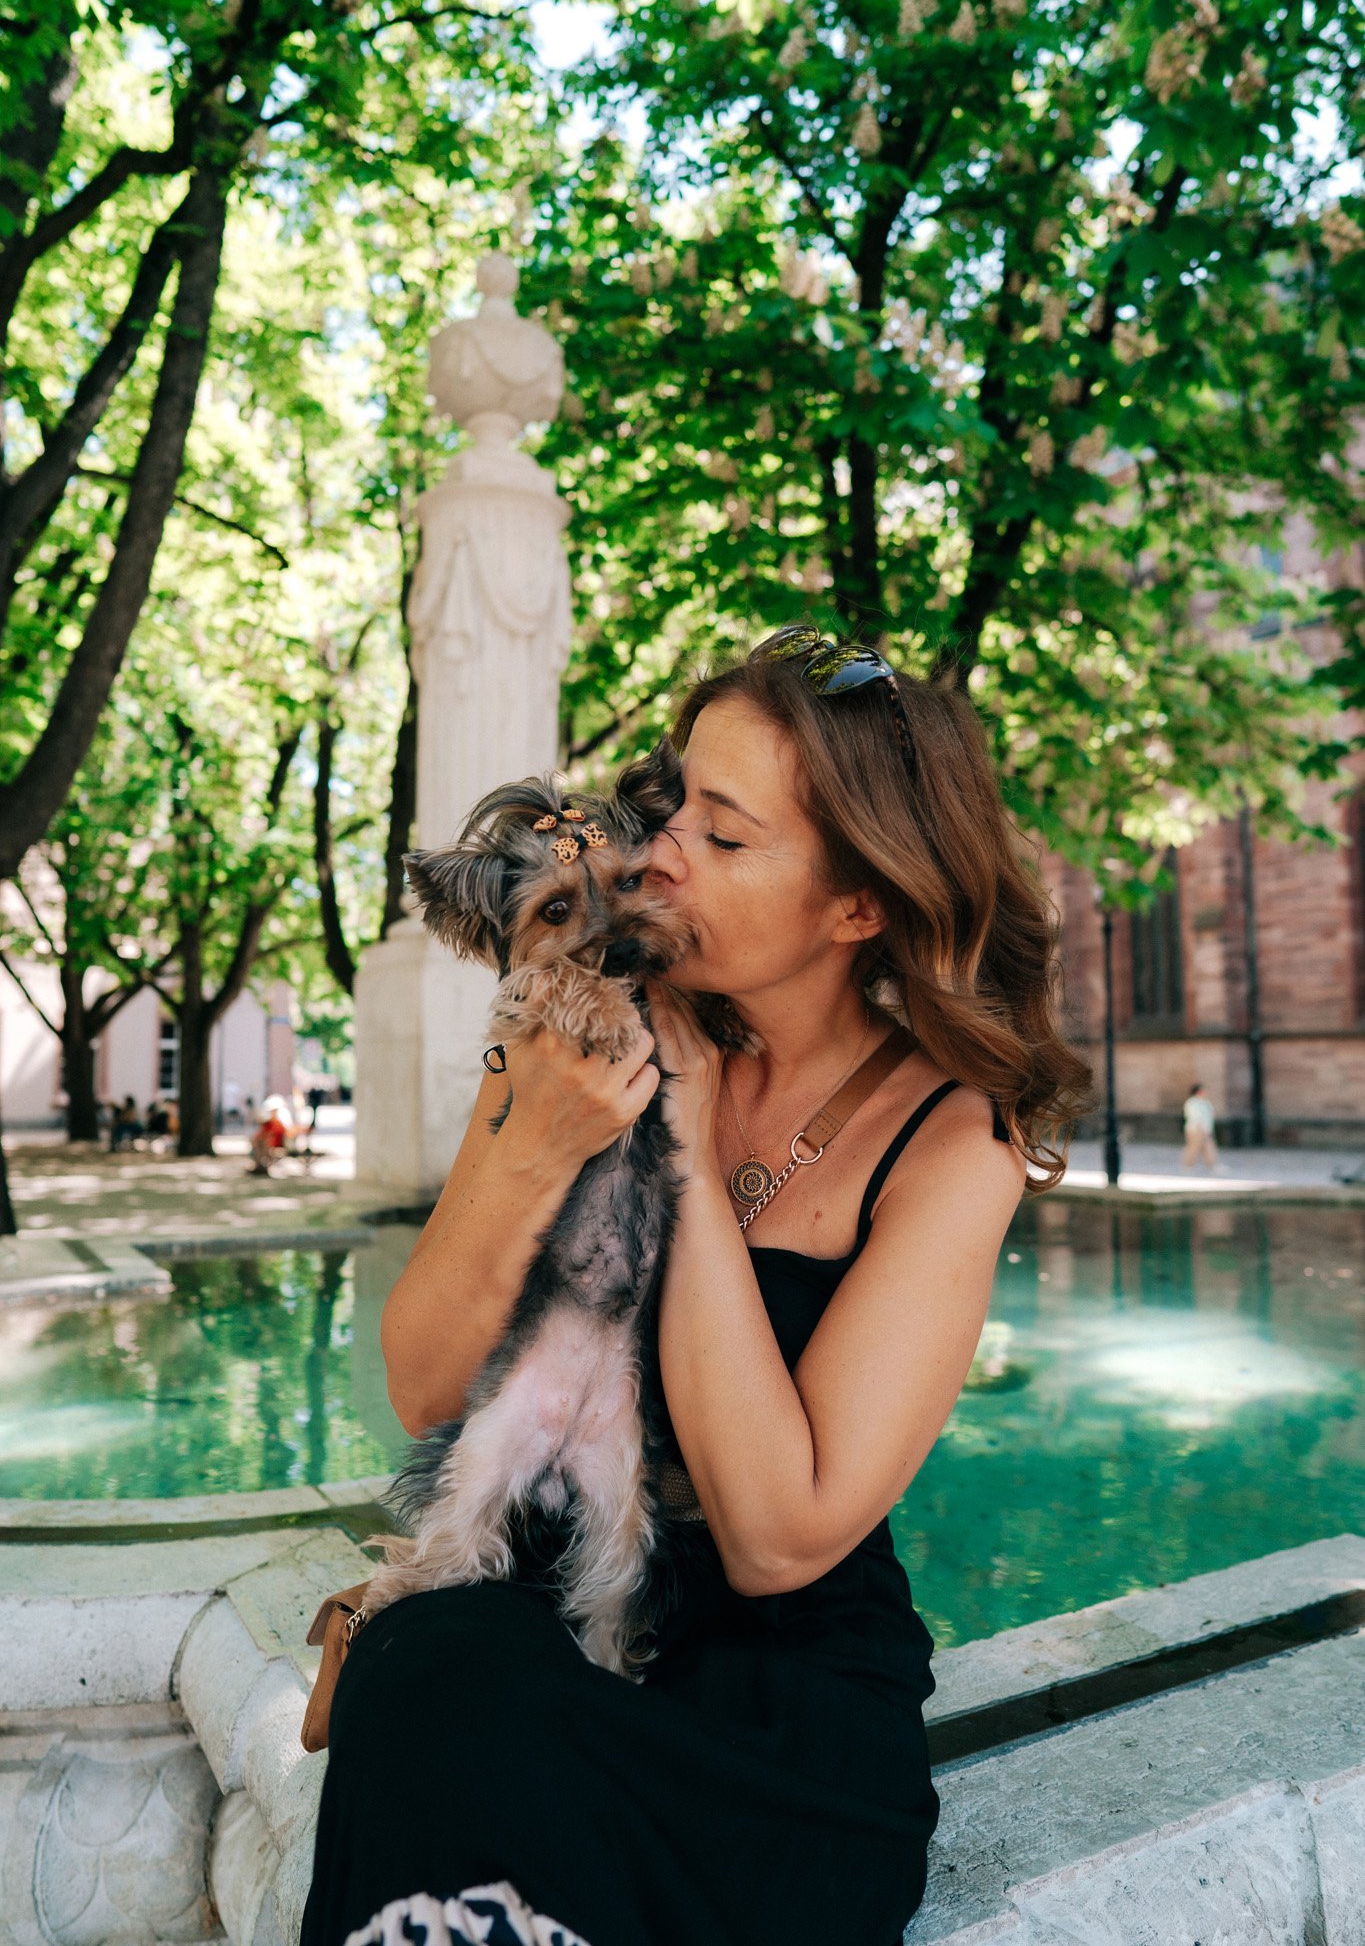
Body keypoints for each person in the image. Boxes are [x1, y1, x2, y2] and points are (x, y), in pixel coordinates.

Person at [301, 625, 1092, 1946]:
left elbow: (785, 1534)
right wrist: (538, 1132)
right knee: (427, 1669)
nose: (661, 851)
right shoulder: (578, 1009)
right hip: (544, 1621)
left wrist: (683, 1136)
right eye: (676, 799)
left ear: (858, 904)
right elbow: (426, 1381)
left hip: (776, 1709)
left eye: (726, 838)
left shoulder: (958, 1135)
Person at [248, 1095, 294, 1176]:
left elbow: (280, 1135)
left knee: (261, 1144)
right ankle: (260, 1166)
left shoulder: (278, 1122)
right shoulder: (270, 1122)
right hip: (267, 1144)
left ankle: (260, 1166)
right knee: (259, 1143)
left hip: (273, 1145)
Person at [1182, 1082, 1219, 1169]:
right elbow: (1195, 1117)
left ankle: (1212, 1165)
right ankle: (1187, 1165)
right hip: (1196, 1130)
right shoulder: (1192, 1102)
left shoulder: (1204, 1102)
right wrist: (1200, 1129)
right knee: (1193, 1148)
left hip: (1206, 1130)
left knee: (1209, 1147)